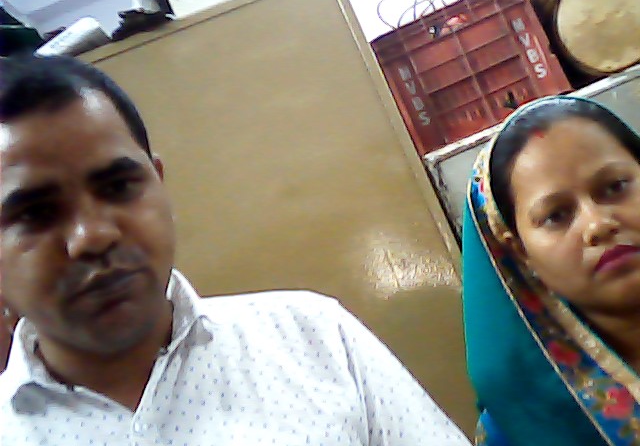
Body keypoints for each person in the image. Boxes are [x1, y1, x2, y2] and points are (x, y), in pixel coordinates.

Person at [0, 54, 471, 446]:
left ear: (159, 183)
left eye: (118, 186)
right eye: (35, 214)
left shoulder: (313, 339)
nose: (93, 236)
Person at [462, 95, 640, 446]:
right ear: (520, 251)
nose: (597, 225)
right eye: (557, 215)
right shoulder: (525, 428)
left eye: (615, 187)